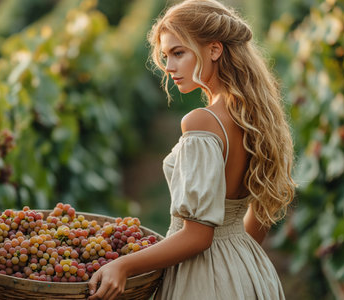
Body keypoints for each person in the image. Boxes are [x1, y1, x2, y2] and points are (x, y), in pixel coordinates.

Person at [87, 0, 296, 299]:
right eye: (165, 56)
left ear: (214, 49)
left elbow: (198, 236)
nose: (169, 67)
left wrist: (123, 265)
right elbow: (261, 215)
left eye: (178, 53)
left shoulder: (202, 121)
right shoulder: (257, 117)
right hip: (250, 270)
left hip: (203, 280)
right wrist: (233, 265)